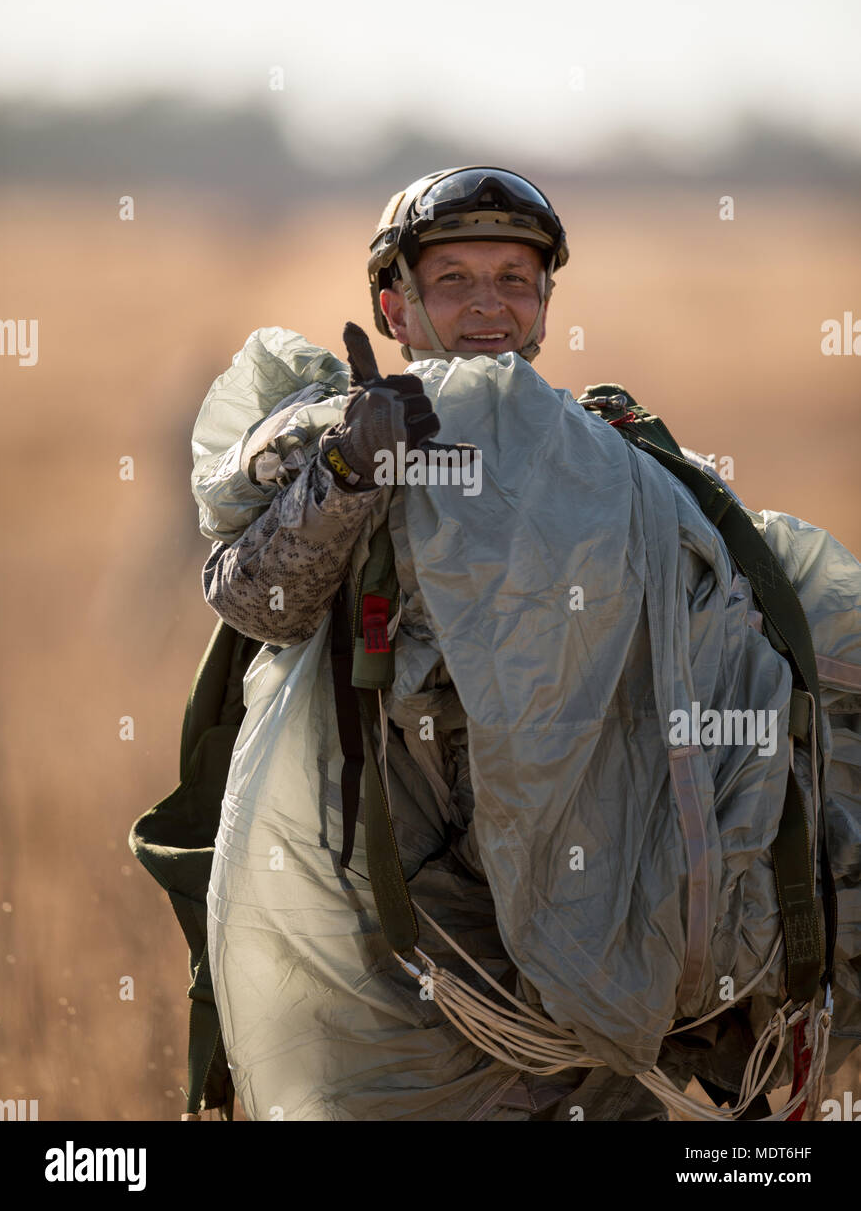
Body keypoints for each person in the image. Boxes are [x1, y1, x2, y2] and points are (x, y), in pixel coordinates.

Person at [199, 167, 730, 1120]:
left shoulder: (615, 464)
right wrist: (351, 472)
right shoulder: (359, 437)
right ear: (395, 305)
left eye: (513, 281)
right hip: (394, 919)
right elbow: (256, 603)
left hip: (595, 922)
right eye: (454, 281)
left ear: (544, 306)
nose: (488, 307)